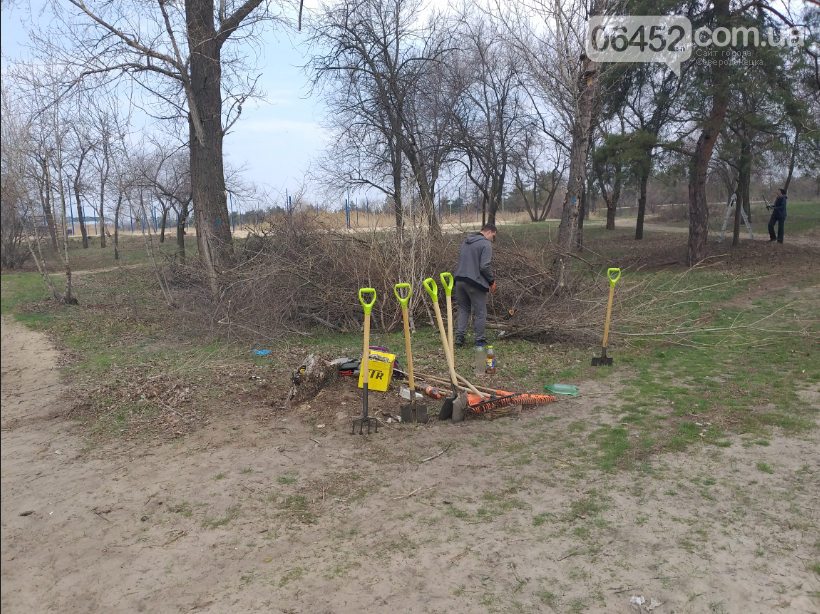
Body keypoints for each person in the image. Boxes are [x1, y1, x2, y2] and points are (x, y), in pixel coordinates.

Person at [453, 223, 497, 348]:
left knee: (464, 309)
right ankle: (479, 339)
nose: (492, 239)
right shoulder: (485, 244)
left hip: (459, 280)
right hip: (474, 282)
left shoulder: (465, 242)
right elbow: (484, 266)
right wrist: (491, 281)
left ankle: (459, 337)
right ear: (489, 232)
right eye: (493, 236)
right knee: (480, 311)